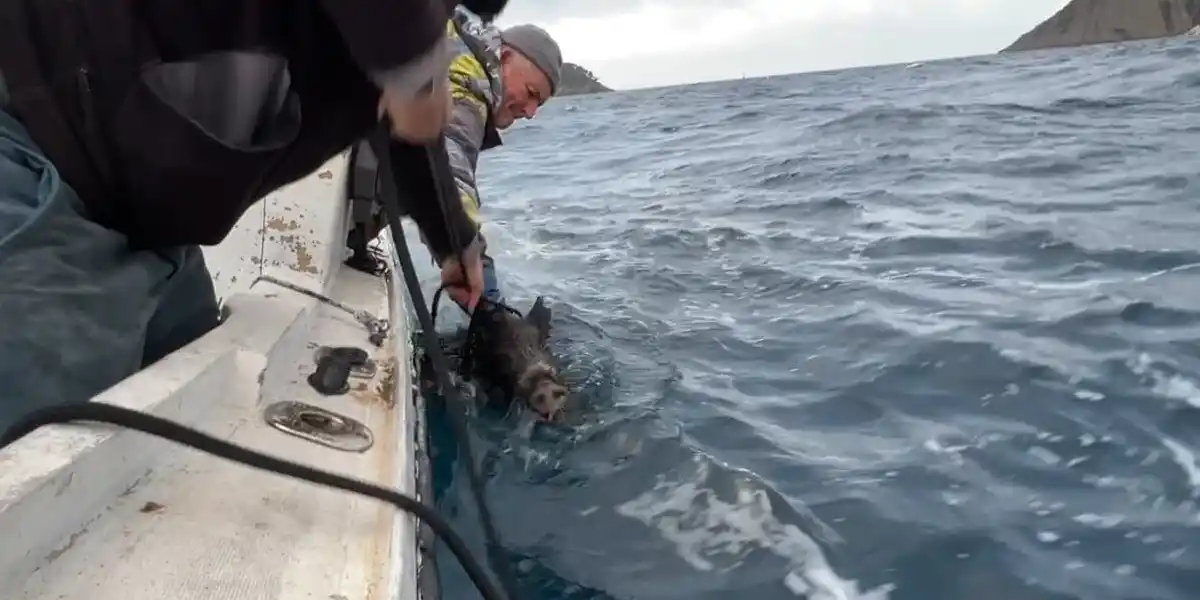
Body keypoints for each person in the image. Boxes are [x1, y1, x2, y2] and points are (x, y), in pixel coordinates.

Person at [0, 0, 498, 431]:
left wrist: (455, 245)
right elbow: (410, 88)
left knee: (198, 410)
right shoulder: (410, 37)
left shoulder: (395, 33)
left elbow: (407, 135)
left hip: (146, 229)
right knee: (35, 436)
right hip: (33, 149)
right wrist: (415, 71)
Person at [439, 8, 564, 309]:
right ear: (504, 58)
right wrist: (467, 252)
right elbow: (447, 164)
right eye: (531, 93)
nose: (531, 112)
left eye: (540, 104)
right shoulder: (467, 79)